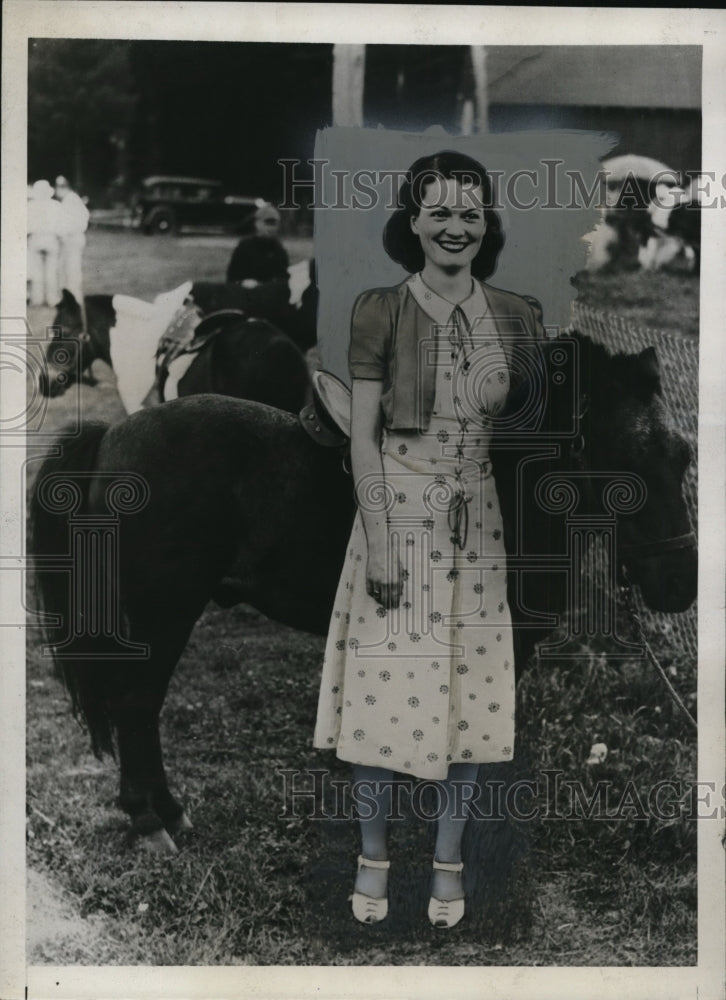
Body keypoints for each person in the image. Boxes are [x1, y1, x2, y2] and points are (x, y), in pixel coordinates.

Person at [313, 150, 544, 928]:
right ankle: (373, 857)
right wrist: (380, 541)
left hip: (478, 524)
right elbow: (364, 440)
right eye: (439, 210)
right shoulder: (380, 307)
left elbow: (529, 436)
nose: (455, 225)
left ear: (488, 224)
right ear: (412, 222)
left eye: (470, 212)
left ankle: (448, 859)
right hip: (398, 517)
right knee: (383, 697)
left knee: (471, 699)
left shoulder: (517, 314)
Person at [54, 175, 90, 304]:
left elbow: (72, 221)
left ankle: (74, 295)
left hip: (73, 237)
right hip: (72, 236)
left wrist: (64, 233)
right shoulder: (71, 199)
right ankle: (69, 294)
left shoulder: (70, 200)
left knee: (72, 267)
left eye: (59, 187)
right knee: (67, 267)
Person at [27, 179, 61, 307]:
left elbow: (27, 226)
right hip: (51, 239)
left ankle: (38, 299)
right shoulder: (56, 205)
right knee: (51, 271)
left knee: (36, 271)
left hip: (36, 239)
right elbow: (60, 224)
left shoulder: (30, 206)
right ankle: (52, 299)